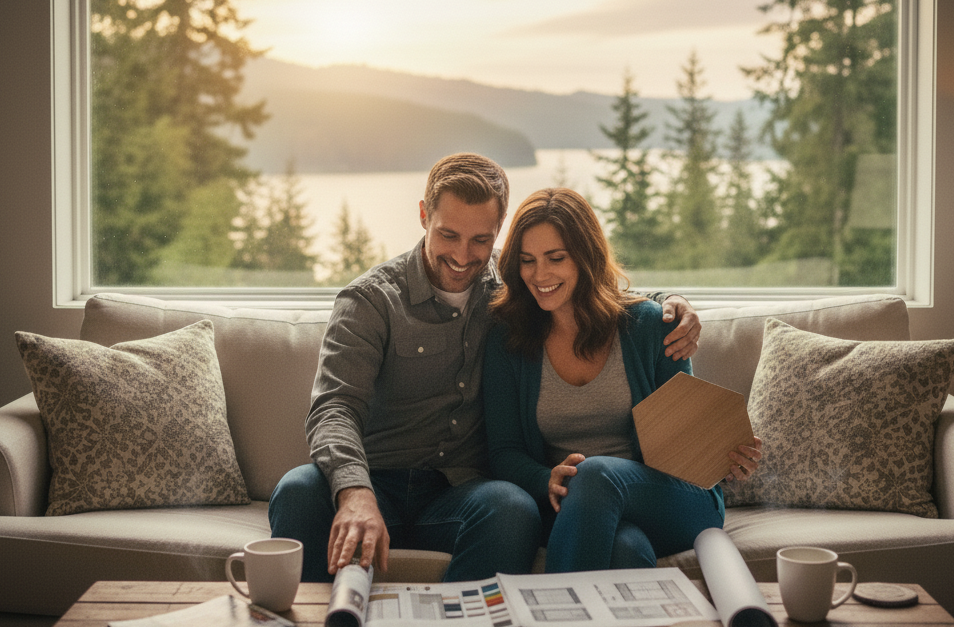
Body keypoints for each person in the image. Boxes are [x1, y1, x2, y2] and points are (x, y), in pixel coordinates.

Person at [269, 154, 703, 584]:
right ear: (424, 216)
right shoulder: (370, 302)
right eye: (448, 234)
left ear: (498, 231)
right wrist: (355, 493)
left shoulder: (510, 286)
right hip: (375, 478)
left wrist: (671, 302)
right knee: (297, 490)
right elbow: (334, 409)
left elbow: (589, 286)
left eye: (480, 240)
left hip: (458, 493)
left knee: (512, 508)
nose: (462, 255)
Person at [483, 187, 762, 575]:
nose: (539, 275)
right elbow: (504, 450)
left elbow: (689, 430)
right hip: (573, 509)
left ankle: (555, 621)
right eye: (528, 261)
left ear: (585, 256)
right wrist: (544, 478)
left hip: (670, 497)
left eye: (556, 258)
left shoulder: (648, 326)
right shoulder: (507, 338)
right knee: (626, 548)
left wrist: (725, 455)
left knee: (594, 473)